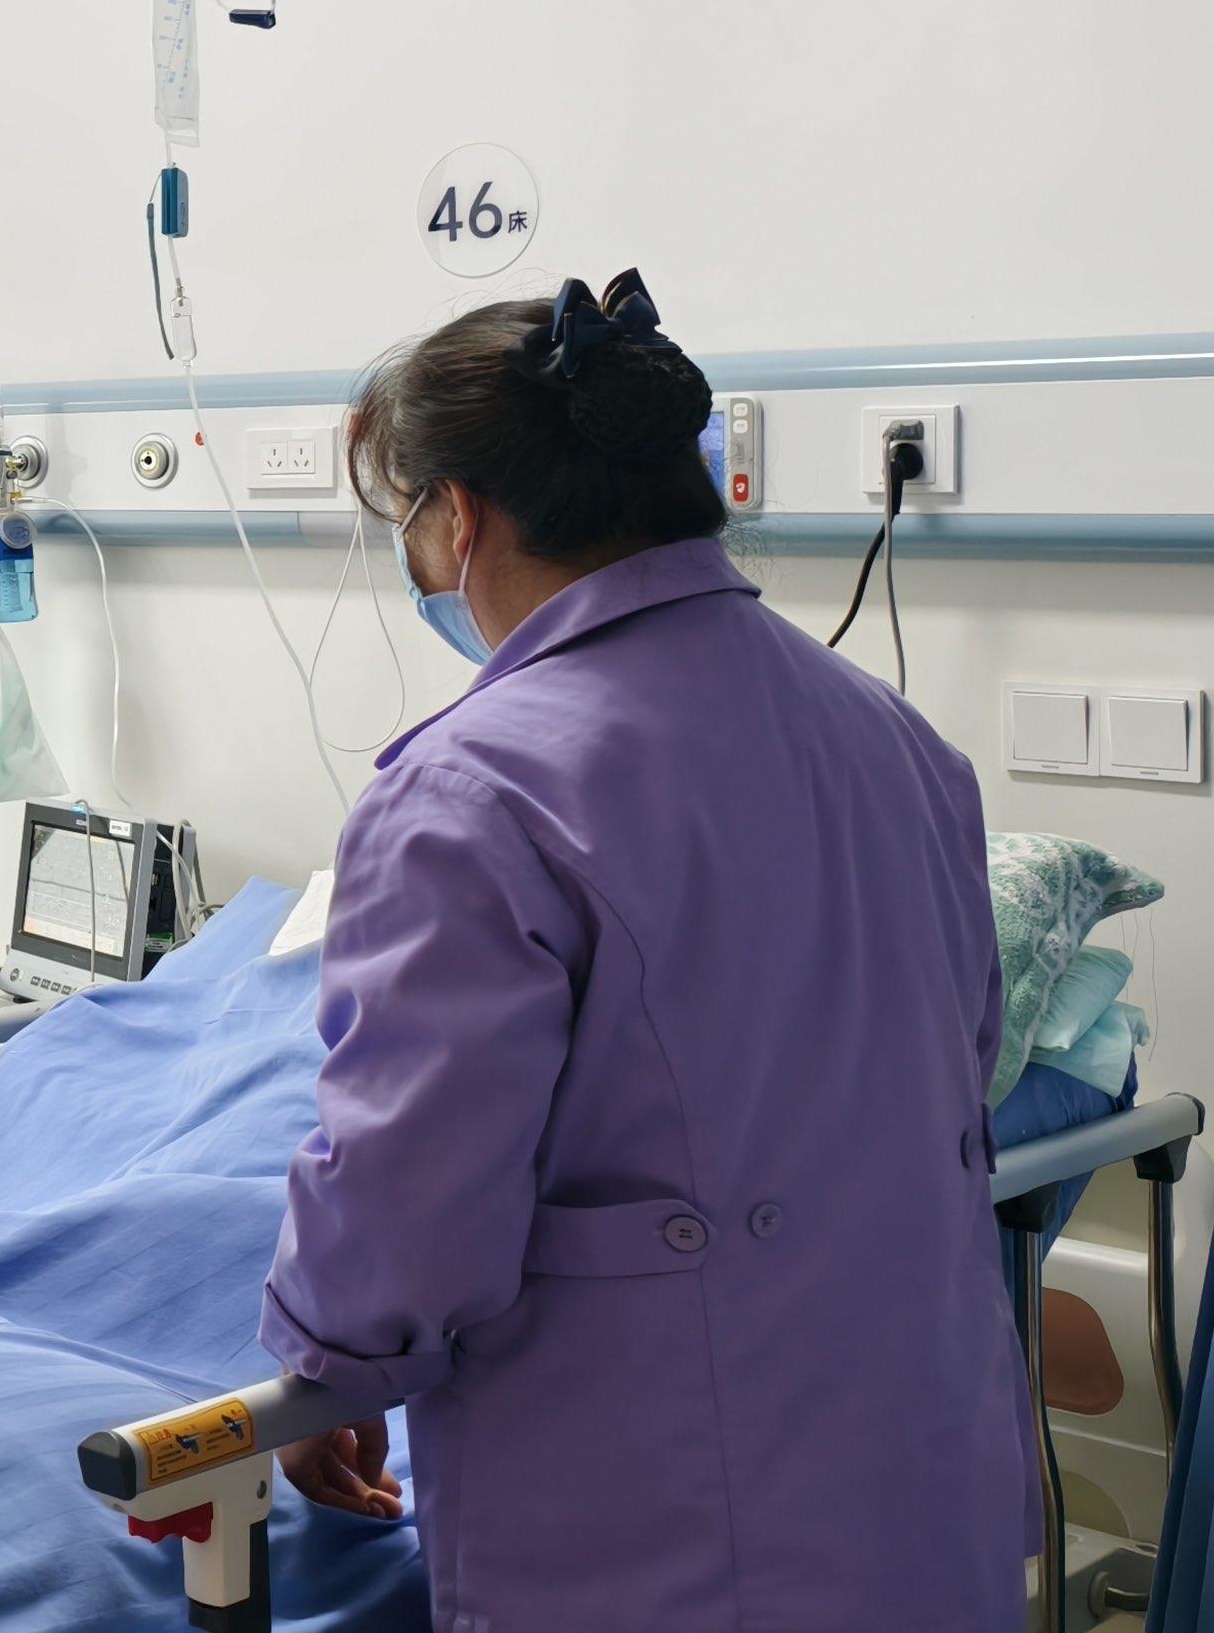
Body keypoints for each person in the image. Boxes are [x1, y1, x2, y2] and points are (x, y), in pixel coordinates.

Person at [264, 270, 1033, 1629]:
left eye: (410, 528)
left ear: (459, 519)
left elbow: (409, 1197)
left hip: (666, 1522)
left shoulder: (471, 793)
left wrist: (325, 1375)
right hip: (921, 1482)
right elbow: (953, 1068)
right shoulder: (896, 739)